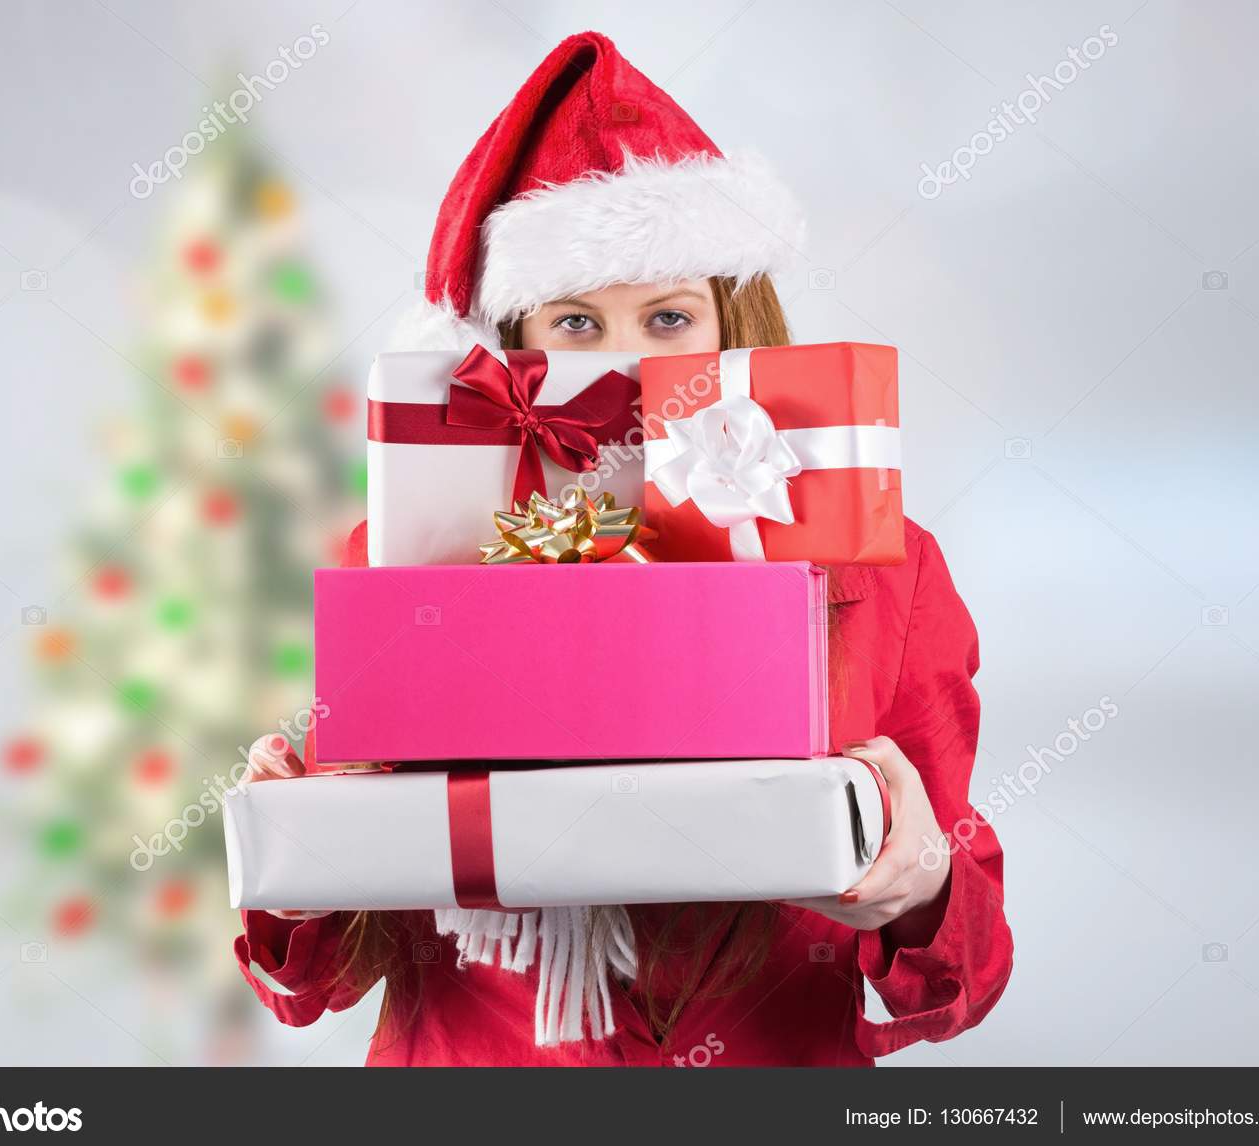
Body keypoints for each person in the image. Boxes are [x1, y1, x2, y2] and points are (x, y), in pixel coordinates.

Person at [234, 30, 1011, 1065]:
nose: (629, 364)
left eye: (668, 315)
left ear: (732, 321)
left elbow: (961, 978)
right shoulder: (403, 557)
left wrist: (920, 887)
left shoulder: (883, 567)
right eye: (576, 324)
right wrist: (295, 854)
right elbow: (312, 983)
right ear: (511, 349)